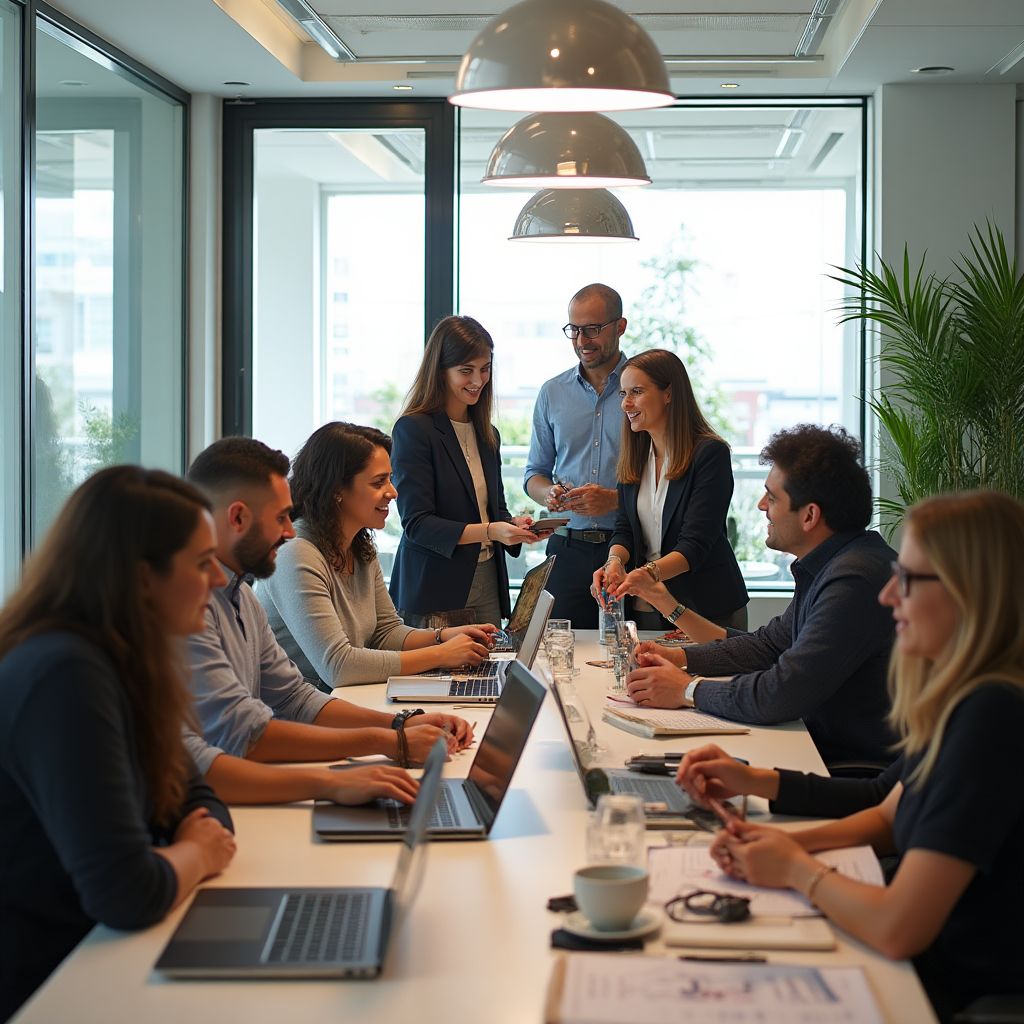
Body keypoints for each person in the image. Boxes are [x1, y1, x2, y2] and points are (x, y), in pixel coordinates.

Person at [689, 491, 1024, 1023]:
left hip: (925, 986)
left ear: (972, 594)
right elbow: (885, 809)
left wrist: (797, 870)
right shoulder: (965, 696)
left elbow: (898, 928)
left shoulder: (993, 716)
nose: (889, 596)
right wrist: (765, 810)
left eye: (909, 579)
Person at [0, 467, 236, 1021]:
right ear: (141, 579)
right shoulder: (65, 675)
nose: (221, 580)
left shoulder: (118, 660)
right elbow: (125, 892)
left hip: (102, 954)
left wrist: (189, 840)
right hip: (54, 983)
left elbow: (197, 794)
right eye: (202, 563)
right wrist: (196, 852)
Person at [184, 437, 474, 778]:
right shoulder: (191, 607)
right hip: (241, 776)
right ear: (237, 518)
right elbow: (246, 735)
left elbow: (294, 697)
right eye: (280, 518)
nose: (289, 531)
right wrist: (388, 743)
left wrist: (402, 723)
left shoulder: (241, 595)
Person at [626, 424, 897, 766]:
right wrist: (679, 659)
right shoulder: (834, 563)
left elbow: (780, 694)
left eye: (772, 497)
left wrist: (685, 690)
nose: (760, 504)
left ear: (810, 515)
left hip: (842, 768)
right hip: (813, 747)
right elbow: (767, 646)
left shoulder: (854, 580)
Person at [259, 420, 504, 688]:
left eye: (390, 478)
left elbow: (386, 632)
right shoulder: (295, 553)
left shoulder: (358, 545)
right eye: (378, 482)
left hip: (339, 699)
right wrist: (441, 655)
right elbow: (339, 667)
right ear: (337, 490)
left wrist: (443, 636)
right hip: (296, 716)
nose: (393, 492)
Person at [388, 316, 541, 628]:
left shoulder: (488, 435)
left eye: (484, 369)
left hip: (488, 582)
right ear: (441, 371)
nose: (478, 380)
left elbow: (494, 510)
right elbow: (418, 524)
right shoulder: (414, 430)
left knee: (491, 673)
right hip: (435, 588)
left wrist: (515, 527)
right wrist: (490, 530)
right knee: (440, 677)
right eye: (466, 370)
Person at [590, 348, 748, 631]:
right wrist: (615, 561)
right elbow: (625, 528)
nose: (626, 404)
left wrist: (645, 574)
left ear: (669, 394)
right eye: (623, 394)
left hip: (705, 606)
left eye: (636, 391)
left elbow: (695, 545)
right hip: (645, 605)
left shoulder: (710, 454)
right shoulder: (635, 454)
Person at [524, 283, 629, 628]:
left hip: (629, 550)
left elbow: (667, 479)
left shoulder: (643, 389)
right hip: (566, 552)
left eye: (593, 329)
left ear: (620, 326)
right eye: (575, 330)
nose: (583, 341)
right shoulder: (552, 392)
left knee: (630, 653)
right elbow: (534, 474)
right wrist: (548, 493)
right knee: (557, 651)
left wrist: (614, 500)